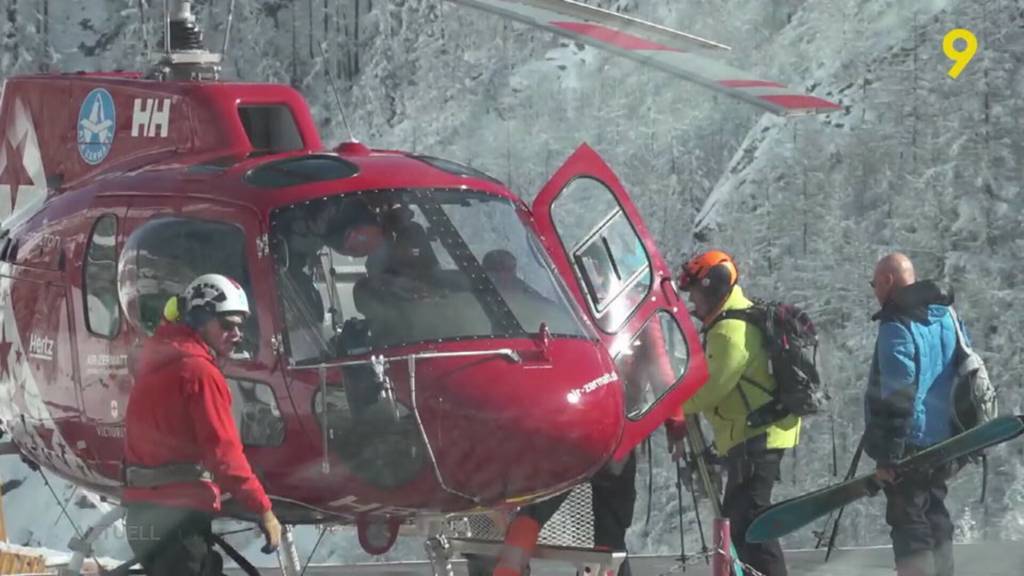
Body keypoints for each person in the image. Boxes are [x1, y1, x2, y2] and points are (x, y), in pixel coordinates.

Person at [123, 274, 281, 575]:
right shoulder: (199, 373)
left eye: (239, 326)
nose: (236, 334)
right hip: (178, 522)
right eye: (226, 325)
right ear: (199, 319)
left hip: (142, 519)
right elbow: (224, 456)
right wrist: (263, 509)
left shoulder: (157, 362)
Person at [674, 249, 799, 576]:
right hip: (756, 433)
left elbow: (710, 388)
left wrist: (670, 403)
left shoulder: (729, 331)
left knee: (751, 529)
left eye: (697, 293)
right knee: (743, 524)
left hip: (757, 436)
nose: (694, 302)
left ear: (713, 287)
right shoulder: (734, 317)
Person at [865, 252, 961, 576]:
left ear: (888, 281)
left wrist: (889, 457)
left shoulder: (897, 324)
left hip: (910, 443)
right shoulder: (945, 315)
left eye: (874, 283)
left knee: (909, 522)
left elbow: (899, 393)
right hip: (945, 437)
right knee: (936, 513)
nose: (874, 290)